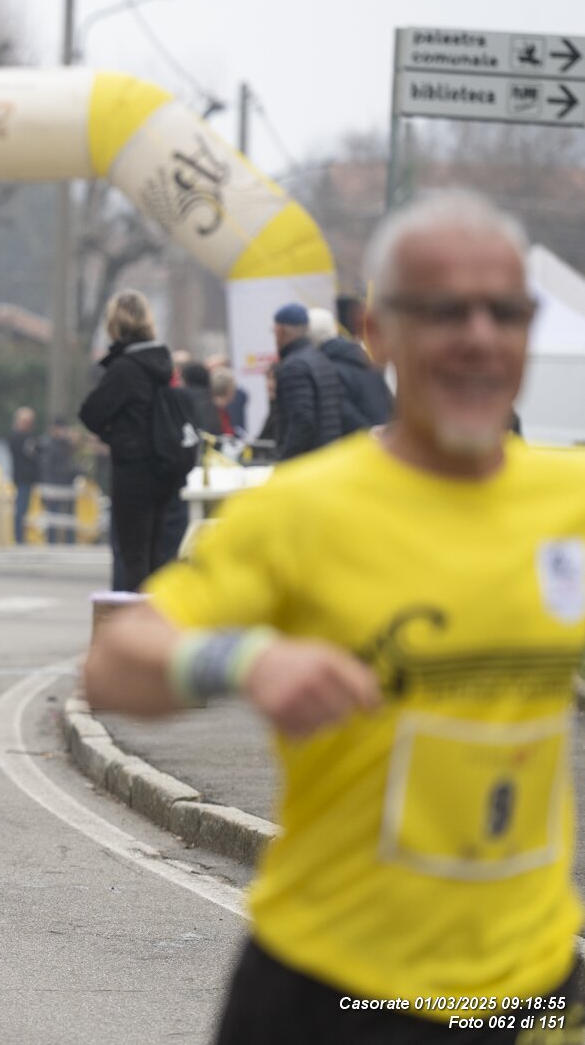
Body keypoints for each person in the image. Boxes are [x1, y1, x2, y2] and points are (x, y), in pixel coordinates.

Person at [84, 190, 585, 1043]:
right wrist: (244, 661)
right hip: (335, 991)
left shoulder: (567, 500)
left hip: (536, 990)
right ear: (378, 334)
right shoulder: (305, 510)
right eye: (443, 311)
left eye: (504, 312)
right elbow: (115, 664)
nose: (478, 336)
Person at [79, 290, 178, 592]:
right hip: (164, 465)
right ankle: (160, 614)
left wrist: (113, 436)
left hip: (133, 467)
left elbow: (91, 413)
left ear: (115, 324)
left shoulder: (125, 369)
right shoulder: (163, 363)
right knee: (157, 553)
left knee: (133, 555)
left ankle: (136, 617)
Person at [272, 303, 344, 460]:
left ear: (280, 330)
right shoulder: (322, 359)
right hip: (330, 456)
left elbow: (302, 420)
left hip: (308, 461)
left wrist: (285, 460)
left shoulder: (293, 367)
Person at [309, 306, 394, 434]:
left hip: (358, 440)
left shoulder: (326, 369)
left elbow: (344, 412)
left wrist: (370, 433)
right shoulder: (366, 360)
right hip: (386, 437)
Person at [37, 418, 80, 545]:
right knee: (53, 513)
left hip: (67, 482)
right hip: (54, 483)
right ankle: (52, 540)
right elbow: (47, 465)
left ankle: (69, 540)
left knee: (69, 514)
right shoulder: (48, 443)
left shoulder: (66, 443)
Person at [9, 407, 42, 546]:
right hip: (22, 477)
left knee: (27, 509)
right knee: (20, 509)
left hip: (31, 478)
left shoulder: (32, 437)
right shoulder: (15, 437)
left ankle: (23, 536)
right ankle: (18, 538)